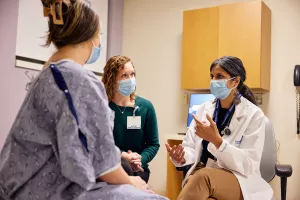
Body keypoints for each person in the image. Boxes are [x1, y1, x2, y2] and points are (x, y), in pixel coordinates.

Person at [0, 1, 168, 200]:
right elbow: (104, 165)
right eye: (99, 35)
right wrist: (133, 182)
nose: (99, 43)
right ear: (89, 37)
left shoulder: (50, 73)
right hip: (42, 189)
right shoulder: (77, 79)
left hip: (20, 184)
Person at [166, 56, 273, 200]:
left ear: (235, 81)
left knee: (202, 178)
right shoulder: (204, 109)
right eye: (212, 76)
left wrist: (218, 142)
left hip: (237, 178)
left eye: (220, 76)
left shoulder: (253, 115)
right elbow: (190, 147)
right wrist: (181, 157)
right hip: (205, 172)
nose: (214, 81)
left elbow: (248, 165)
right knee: (201, 183)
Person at [102, 56, 160, 183]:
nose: (130, 79)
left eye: (132, 74)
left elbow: (153, 144)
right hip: (109, 168)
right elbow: (100, 144)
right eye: (124, 76)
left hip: (138, 169)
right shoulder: (102, 107)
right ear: (112, 79)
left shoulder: (146, 107)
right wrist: (123, 156)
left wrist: (140, 159)